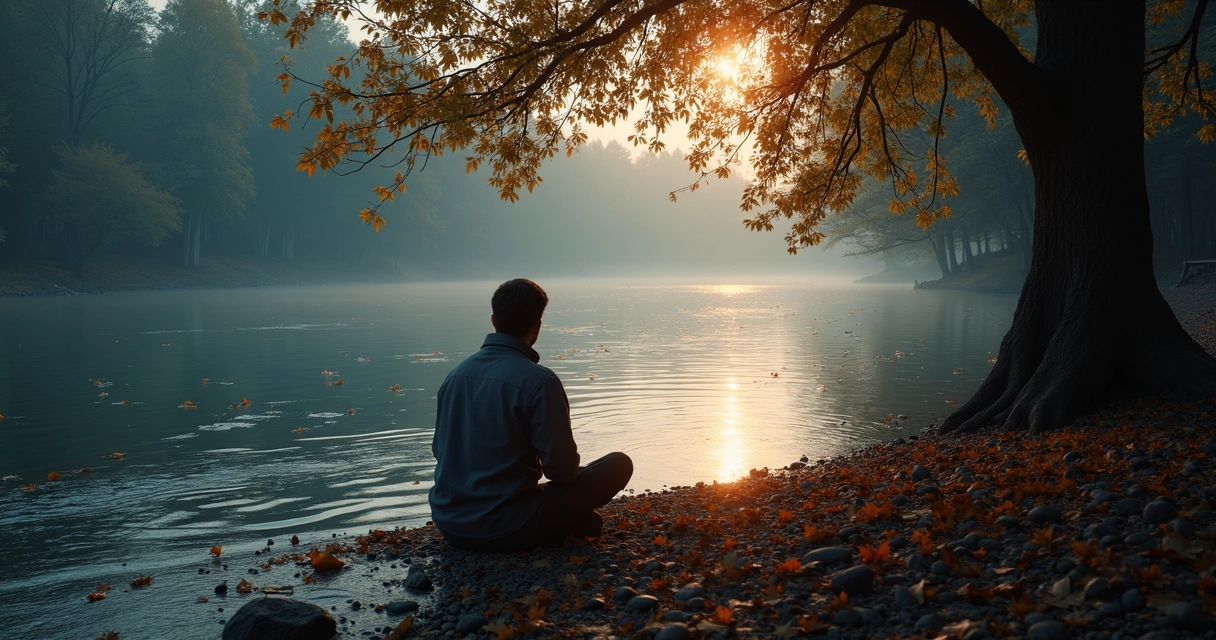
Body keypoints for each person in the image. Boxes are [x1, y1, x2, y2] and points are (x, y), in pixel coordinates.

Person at [430, 278, 633, 551]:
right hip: (507, 526)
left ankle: (566, 524)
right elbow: (561, 473)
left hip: (450, 526)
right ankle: (560, 525)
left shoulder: (455, 376)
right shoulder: (540, 382)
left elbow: (439, 452)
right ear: (537, 327)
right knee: (618, 464)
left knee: (582, 515)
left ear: (493, 320)